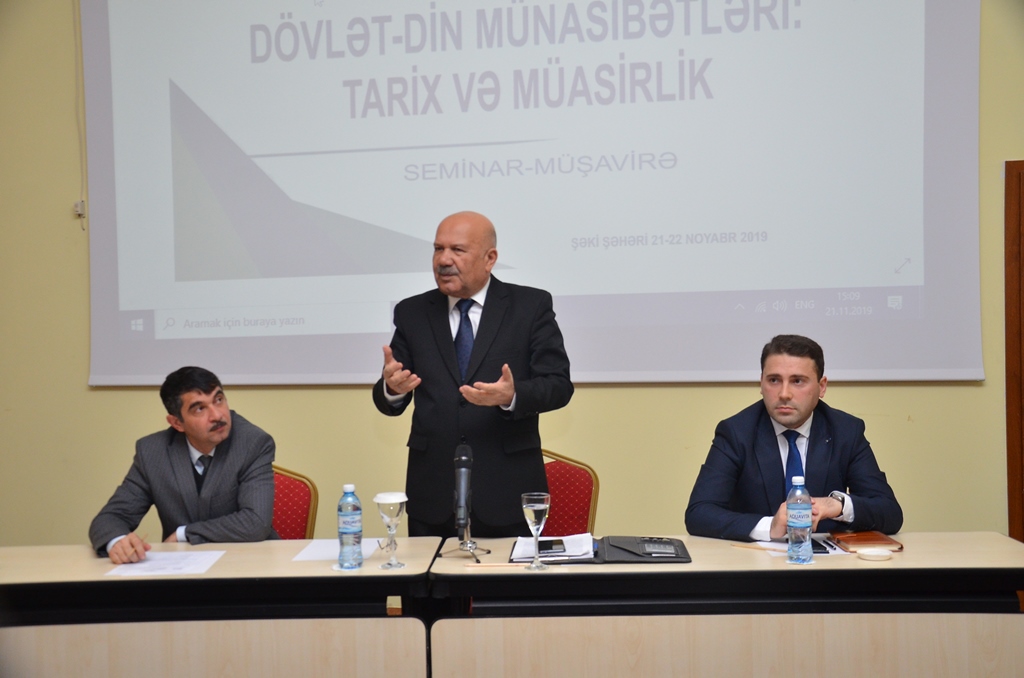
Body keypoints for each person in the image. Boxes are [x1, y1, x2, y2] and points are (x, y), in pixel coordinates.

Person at [372, 211, 574, 538]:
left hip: (507, 489)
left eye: (457, 250)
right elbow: (390, 394)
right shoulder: (412, 312)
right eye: (438, 249)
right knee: (426, 573)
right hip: (432, 493)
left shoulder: (530, 306)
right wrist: (392, 389)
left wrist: (512, 396)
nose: (443, 260)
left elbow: (558, 385)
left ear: (489, 258)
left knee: (508, 574)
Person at [685, 335, 902, 541]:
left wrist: (837, 506)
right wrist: (770, 526)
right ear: (761, 384)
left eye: (797, 381)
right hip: (754, 561)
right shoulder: (736, 432)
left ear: (822, 387)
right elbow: (699, 513)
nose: (784, 394)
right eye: (774, 380)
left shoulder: (845, 431)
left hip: (826, 562)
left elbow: (890, 512)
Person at [89, 366, 277, 563]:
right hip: (182, 567)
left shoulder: (252, 443)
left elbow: (256, 522)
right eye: (199, 408)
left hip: (248, 563)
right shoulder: (153, 452)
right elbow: (110, 518)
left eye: (218, 400)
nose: (217, 415)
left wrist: (184, 533)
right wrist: (117, 542)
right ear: (176, 423)